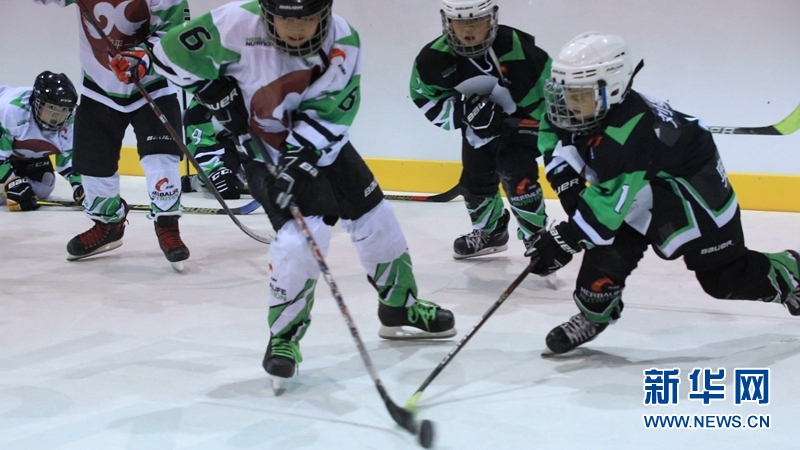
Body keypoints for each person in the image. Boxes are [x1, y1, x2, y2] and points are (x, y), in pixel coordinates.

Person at [112, 0, 457, 388]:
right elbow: (169, 52)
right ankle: (284, 338)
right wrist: (199, 84)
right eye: (284, 18)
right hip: (262, 148)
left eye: (307, 18)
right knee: (302, 238)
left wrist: (300, 159)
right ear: (266, 11)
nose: (296, 28)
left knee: (377, 218)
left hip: (322, 146)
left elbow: (331, 113)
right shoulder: (235, 23)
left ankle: (399, 308)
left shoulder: (344, 40)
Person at [526, 31, 800, 355]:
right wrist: (566, 182)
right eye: (564, 92)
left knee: (723, 279)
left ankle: (789, 272)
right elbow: (552, 132)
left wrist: (563, 241)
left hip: (691, 189)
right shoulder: (583, 107)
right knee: (604, 258)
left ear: (612, 88)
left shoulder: (631, 133)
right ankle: (594, 316)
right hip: (635, 184)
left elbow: (607, 207)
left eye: (579, 94)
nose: (567, 104)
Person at [33, 0, 190, 270]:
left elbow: (175, 32)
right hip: (98, 86)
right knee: (94, 165)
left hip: (152, 86)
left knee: (161, 159)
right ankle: (109, 226)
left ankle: (167, 224)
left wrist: (143, 56)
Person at [410, 0, 552, 259]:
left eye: (476, 21)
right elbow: (425, 97)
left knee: (517, 174)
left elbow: (550, 94)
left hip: (522, 121)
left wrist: (548, 134)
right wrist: (464, 112)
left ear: (491, 19)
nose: (468, 30)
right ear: (448, 22)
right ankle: (491, 232)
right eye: (460, 22)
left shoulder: (518, 48)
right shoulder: (434, 59)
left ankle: (536, 235)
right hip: (477, 126)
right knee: (475, 180)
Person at [1, 71, 83, 211]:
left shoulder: (71, 122)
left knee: (43, 187)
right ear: (36, 102)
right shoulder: (11, 110)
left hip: (23, 156)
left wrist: (82, 187)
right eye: (51, 108)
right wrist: (12, 183)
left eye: (63, 109)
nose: (57, 116)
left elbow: (69, 161)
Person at [181, 99, 247, 200]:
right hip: (220, 147)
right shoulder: (199, 110)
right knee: (226, 181)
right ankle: (199, 182)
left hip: (244, 142)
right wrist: (216, 173)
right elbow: (203, 146)